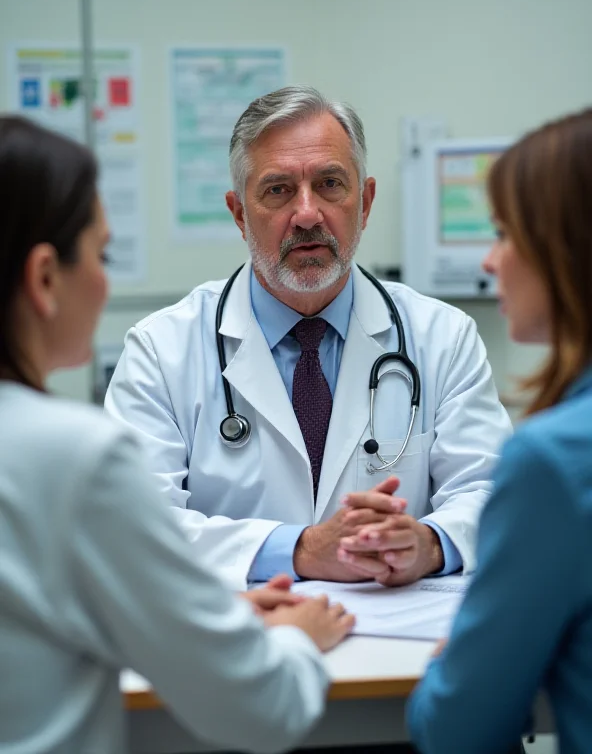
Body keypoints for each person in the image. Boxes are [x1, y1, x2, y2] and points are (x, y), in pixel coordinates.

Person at [0, 115, 355, 754]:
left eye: (330, 183)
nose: (107, 283)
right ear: (44, 278)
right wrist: (301, 632)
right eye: (102, 254)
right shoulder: (74, 457)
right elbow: (260, 709)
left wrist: (188, 619)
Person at [105, 85, 512, 591]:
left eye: (329, 184)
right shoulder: (161, 351)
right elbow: (132, 526)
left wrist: (429, 544)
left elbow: (492, 495)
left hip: (398, 652)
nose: (306, 213)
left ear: (364, 203)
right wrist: (301, 550)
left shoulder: (443, 338)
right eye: (277, 189)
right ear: (238, 213)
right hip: (242, 650)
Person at [403, 107, 592, 754]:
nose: (490, 261)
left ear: (567, 247)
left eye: (505, 233)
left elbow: (457, 731)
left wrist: (461, 650)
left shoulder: (555, 460)